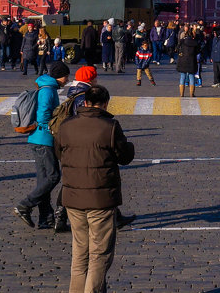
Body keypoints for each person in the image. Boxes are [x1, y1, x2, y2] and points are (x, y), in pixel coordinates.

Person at [55, 84, 136, 293]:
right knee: (99, 255)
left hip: (72, 197)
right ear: (105, 103)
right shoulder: (109, 126)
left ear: (86, 103)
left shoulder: (66, 125)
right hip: (101, 199)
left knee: (80, 253)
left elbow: (59, 153)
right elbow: (124, 157)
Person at [15, 60, 70, 229]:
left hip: (37, 139)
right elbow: (44, 115)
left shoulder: (47, 87)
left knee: (44, 180)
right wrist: (52, 129)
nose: (67, 80)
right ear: (60, 76)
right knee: (53, 176)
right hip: (43, 140)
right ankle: (25, 205)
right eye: (66, 76)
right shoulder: (48, 90)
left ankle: (45, 218)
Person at [176, 28, 200, 98]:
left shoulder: (182, 41)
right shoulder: (195, 42)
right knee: (191, 76)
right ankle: (191, 94)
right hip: (192, 60)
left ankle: (181, 94)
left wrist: (181, 53)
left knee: (182, 76)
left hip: (182, 60)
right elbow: (198, 51)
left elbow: (177, 49)